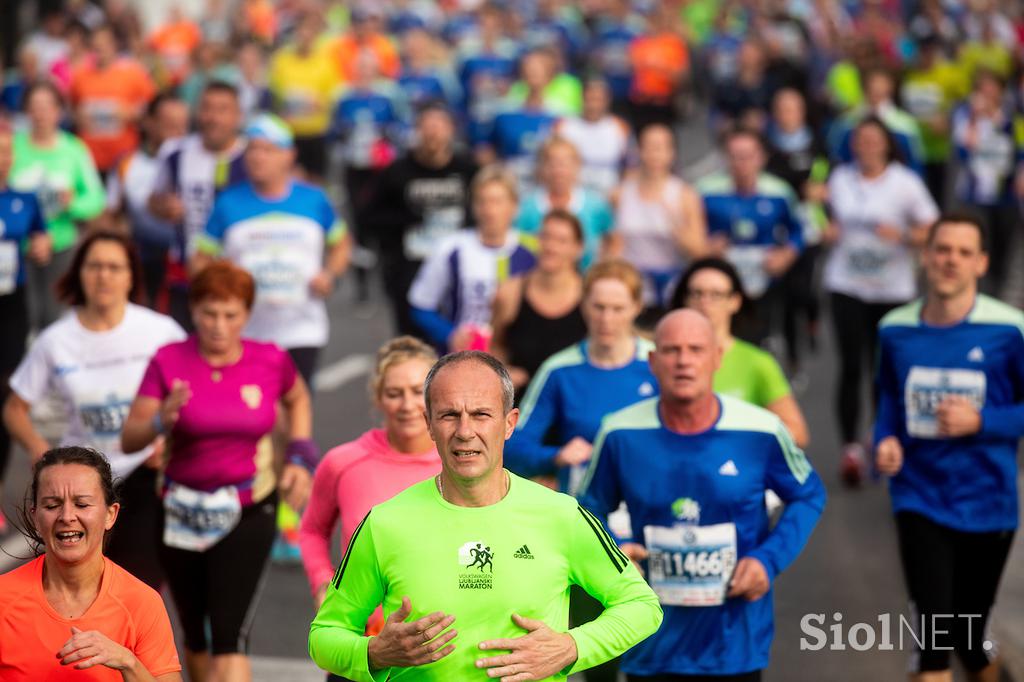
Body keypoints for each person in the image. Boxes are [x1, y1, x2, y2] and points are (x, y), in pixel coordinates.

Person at [308, 350, 663, 680]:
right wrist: (375, 653)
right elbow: (324, 637)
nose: (465, 432)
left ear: (509, 423)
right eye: (449, 415)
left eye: (481, 414)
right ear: (429, 423)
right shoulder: (386, 523)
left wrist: (571, 647)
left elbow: (641, 605)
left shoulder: (561, 515)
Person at [579, 309, 826, 680]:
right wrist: (615, 549)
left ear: (716, 358)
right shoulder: (619, 432)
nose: (683, 361)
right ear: (652, 360)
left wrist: (767, 561)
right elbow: (586, 511)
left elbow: (808, 495)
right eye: (672, 350)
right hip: (651, 642)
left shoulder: (760, 430)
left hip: (735, 643)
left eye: (695, 349)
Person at [120, 262, 313, 682]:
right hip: (180, 510)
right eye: (209, 313)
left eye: (231, 314)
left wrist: (300, 454)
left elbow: (298, 398)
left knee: (229, 635)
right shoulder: (168, 360)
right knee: (195, 633)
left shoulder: (269, 359)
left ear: (246, 314)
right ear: (194, 311)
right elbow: (129, 438)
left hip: (248, 507)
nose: (219, 326)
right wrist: (160, 421)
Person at [875, 213, 1023, 682]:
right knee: (935, 639)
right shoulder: (894, 329)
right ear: (926, 256)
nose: (950, 261)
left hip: (989, 500)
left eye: (963, 253)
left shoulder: (1010, 329)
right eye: (942, 250)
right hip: (919, 497)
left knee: (969, 634)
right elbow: (886, 400)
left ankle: (993, 672)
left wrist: (982, 420)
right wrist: (885, 442)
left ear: (981, 263)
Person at [4, 230, 186, 587]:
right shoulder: (55, 340)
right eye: (95, 266)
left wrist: (168, 442)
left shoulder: (160, 331)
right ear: (79, 274)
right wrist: (41, 451)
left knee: (139, 584)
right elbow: (14, 408)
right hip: (80, 481)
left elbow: (190, 397)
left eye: (115, 267)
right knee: (76, 585)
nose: (104, 276)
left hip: (143, 473)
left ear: (131, 276)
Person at [193, 113, 351, 389]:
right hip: (246, 331)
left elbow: (341, 243)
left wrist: (330, 276)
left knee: (297, 411)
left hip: (303, 329)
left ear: (289, 155)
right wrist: (221, 285)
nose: (258, 157)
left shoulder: (314, 199)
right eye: (252, 149)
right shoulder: (228, 202)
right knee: (253, 414)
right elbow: (199, 259)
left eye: (268, 149)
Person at [0, 447, 182, 681]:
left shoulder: (142, 603)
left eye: (82, 504)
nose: (67, 516)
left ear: (110, 514)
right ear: (35, 517)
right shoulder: (4, 597)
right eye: (52, 505)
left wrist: (128, 663)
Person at [825, 116, 939, 485]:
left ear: (888, 145)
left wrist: (905, 235)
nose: (867, 146)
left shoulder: (905, 184)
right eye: (861, 140)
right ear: (853, 144)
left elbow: (933, 230)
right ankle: (850, 449)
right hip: (845, 283)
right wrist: (826, 229)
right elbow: (823, 217)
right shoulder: (841, 178)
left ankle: (883, 437)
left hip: (892, 288)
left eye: (875, 140)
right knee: (850, 365)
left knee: (884, 368)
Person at [300, 337, 440, 616]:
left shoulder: (462, 463)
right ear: (378, 398)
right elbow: (312, 530)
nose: (407, 405)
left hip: (445, 634)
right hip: (363, 634)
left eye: (418, 392)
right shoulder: (344, 462)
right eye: (394, 393)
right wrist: (322, 583)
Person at [506, 259, 655, 495]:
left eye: (618, 309)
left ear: (637, 307)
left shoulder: (658, 363)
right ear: (583, 305)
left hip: (647, 503)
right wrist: (555, 457)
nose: (607, 319)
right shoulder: (559, 369)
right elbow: (513, 446)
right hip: (582, 508)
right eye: (599, 307)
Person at [671, 258, 809, 449]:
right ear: (684, 299)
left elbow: (797, 433)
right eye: (697, 293)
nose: (704, 302)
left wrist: (740, 445)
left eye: (716, 295)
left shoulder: (758, 362)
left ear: (735, 302)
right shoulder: (661, 359)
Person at [368, 103, 478, 337]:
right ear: (417, 131)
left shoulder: (468, 170)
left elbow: (483, 215)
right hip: (410, 269)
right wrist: (407, 220)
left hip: (460, 270)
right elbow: (370, 217)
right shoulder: (396, 172)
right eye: (427, 127)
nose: (433, 133)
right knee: (413, 344)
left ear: (451, 130)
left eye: (439, 126)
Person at [148, 80, 247, 328]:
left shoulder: (251, 158)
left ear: (238, 116)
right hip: (183, 277)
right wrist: (164, 207)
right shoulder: (175, 153)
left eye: (223, 109)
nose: (213, 117)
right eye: (207, 108)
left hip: (236, 276)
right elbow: (153, 200)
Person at [408, 165, 535, 352]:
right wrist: (449, 334)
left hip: (511, 357)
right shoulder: (451, 247)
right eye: (482, 202)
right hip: (460, 357)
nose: (489, 210)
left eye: (497, 201)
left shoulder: (531, 250)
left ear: (514, 206)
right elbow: (420, 305)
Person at [10, 81, 105, 329]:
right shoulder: (12, 146)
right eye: (34, 107)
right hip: (17, 250)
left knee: (58, 319)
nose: (40, 114)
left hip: (62, 246)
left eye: (46, 107)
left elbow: (95, 199)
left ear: (58, 111)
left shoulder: (73, 149)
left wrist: (70, 203)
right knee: (20, 320)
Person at [698, 128, 803, 344]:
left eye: (747, 156)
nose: (741, 163)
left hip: (764, 279)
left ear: (761, 157)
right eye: (734, 156)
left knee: (759, 339)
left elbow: (799, 229)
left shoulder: (780, 192)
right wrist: (705, 247)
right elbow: (690, 228)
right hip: (719, 279)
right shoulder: (706, 191)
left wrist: (787, 254)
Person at [0, 124, 50, 535]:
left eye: (4, 151)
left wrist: (41, 247)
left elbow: (42, 239)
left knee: (5, 395)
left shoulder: (23, 199)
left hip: (10, 309)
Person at [609, 124, 706, 318]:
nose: (654, 154)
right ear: (639, 151)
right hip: (632, 284)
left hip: (670, 285)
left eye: (661, 147)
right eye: (649, 147)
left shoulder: (685, 195)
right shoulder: (620, 193)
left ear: (672, 153)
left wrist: (678, 229)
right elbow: (613, 244)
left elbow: (700, 251)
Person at [491, 209, 587, 399]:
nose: (551, 246)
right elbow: (495, 345)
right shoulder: (510, 292)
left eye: (561, 241)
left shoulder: (590, 295)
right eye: (546, 237)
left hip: (574, 403)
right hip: (523, 404)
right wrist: (503, 372)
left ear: (578, 249)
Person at [105, 92, 189, 308]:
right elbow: (111, 214)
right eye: (170, 125)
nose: (178, 134)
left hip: (185, 262)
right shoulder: (127, 163)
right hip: (142, 260)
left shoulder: (196, 162)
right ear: (149, 123)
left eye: (183, 126)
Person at [950, 69, 1018, 295]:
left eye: (992, 87)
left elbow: (1018, 148)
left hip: (1005, 196)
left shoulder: (1011, 117)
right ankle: (974, 291)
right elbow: (962, 150)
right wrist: (975, 118)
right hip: (973, 195)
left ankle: (998, 293)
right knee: (976, 245)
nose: (987, 93)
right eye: (981, 88)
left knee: (1002, 250)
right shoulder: (965, 116)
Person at [516, 136, 615, 270]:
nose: (559, 171)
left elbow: (613, 238)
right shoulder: (526, 206)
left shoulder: (596, 204)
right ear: (541, 167)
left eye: (565, 164)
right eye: (552, 163)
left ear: (577, 166)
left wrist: (603, 267)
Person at [69, 23, 155, 175]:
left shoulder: (133, 74)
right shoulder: (80, 76)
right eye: (96, 46)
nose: (100, 49)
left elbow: (152, 108)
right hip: (89, 159)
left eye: (105, 44)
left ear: (114, 45)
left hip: (124, 159)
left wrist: (132, 113)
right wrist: (78, 117)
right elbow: (72, 109)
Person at [268, 8, 340, 182]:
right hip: (289, 134)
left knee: (315, 181)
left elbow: (334, 100)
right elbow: (273, 97)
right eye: (302, 30)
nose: (305, 35)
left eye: (310, 31)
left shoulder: (327, 63)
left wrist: (315, 102)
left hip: (316, 134)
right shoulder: (282, 60)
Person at [556, 78, 632, 196]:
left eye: (598, 100)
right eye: (590, 99)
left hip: (609, 195)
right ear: (581, 98)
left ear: (607, 101)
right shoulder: (564, 126)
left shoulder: (620, 127)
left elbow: (631, 166)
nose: (593, 105)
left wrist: (621, 190)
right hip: (572, 194)